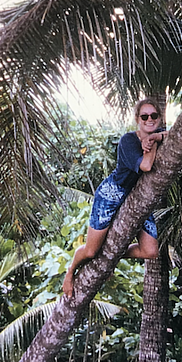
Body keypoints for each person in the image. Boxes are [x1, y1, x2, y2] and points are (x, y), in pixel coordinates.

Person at [62, 98, 168, 298]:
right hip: (111, 194)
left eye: (154, 115)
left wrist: (155, 138)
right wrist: (154, 141)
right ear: (137, 119)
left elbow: (178, 134)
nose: (149, 119)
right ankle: (70, 272)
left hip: (137, 197)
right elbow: (145, 166)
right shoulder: (128, 141)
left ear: (159, 117)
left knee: (150, 250)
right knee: (91, 251)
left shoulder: (159, 134)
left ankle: (112, 253)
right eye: (144, 116)